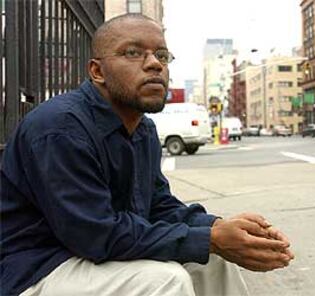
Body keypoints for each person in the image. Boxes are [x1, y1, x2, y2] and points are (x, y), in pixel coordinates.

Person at [0, 14, 294, 296]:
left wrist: (220, 227)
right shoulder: (60, 128)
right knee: (164, 281)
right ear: (97, 71)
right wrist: (211, 239)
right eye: (132, 53)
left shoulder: (143, 129)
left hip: (93, 257)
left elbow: (159, 207)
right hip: (37, 270)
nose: (154, 64)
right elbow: (95, 234)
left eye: (162, 56)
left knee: (212, 262)